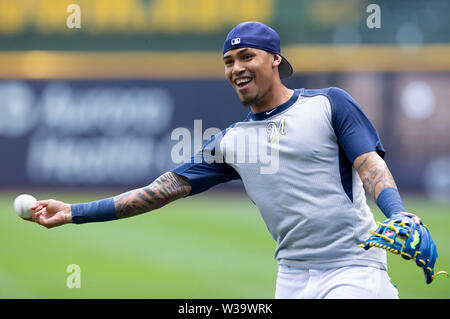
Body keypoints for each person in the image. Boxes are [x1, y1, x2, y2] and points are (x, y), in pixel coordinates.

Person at [27, 21, 429, 298]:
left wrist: (397, 213)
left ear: (275, 59)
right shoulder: (232, 143)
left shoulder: (329, 104)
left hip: (352, 269)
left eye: (246, 57)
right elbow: (158, 192)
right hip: (290, 278)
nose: (236, 68)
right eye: (228, 62)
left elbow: (369, 165)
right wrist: (74, 212)